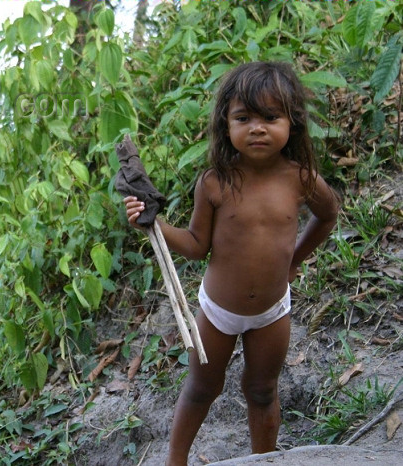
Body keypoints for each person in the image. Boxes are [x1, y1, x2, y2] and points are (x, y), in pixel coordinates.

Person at [123, 61, 340, 466]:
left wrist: (295, 259)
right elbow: (194, 246)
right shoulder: (215, 182)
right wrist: (152, 224)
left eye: (270, 117)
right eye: (244, 118)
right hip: (218, 311)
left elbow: (328, 215)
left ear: (292, 122)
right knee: (202, 387)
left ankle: (264, 459)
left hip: (273, 312)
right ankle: (176, 460)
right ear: (226, 124)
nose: (257, 127)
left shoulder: (301, 178)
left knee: (262, 390)